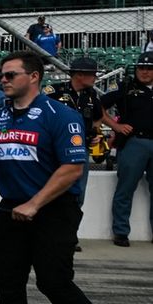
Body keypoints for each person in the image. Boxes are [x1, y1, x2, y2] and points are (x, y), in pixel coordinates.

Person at [0, 51, 106, 304]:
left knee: (52, 280)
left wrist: (35, 203)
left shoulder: (60, 115)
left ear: (33, 77)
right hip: (11, 209)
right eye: (1, 75)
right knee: (7, 280)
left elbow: (72, 168)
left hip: (55, 210)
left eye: (10, 75)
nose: (3, 80)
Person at [99, 50, 153, 247]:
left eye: (149, 68)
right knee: (125, 189)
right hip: (134, 143)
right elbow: (98, 106)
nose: (145, 72)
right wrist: (116, 126)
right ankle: (121, 232)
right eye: (141, 68)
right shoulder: (126, 87)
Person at [45, 57, 103, 221]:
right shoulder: (54, 92)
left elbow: (98, 117)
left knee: (78, 191)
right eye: (92, 74)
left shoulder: (91, 95)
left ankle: (69, 234)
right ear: (79, 75)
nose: (95, 78)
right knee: (50, 188)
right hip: (53, 149)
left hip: (79, 150)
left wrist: (96, 134)